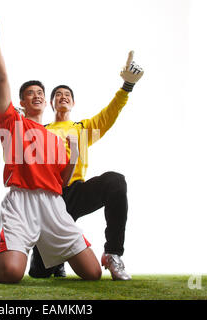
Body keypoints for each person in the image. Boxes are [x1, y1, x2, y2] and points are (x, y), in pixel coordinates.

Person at [0, 11, 101, 284]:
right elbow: (1, 78)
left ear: (45, 103)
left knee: (93, 274)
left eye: (40, 93)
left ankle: (48, 253)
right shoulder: (13, 121)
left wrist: (76, 153)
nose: (36, 95)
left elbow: (63, 180)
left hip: (53, 206)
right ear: (21, 102)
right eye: (30, 93)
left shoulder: (55, 139)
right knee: (11, 274)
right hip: (21, 203)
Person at [28, 52, 144, 280]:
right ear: (51, 103)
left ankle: (112, 254)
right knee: (39, 273)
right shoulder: (42, 131)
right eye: (58, 95)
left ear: (72, 102)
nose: (62, 97)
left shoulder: (82, 128)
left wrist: (127, 85)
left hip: (77, 192)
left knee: (115, 181)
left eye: (67, 95)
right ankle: (54, 260)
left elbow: (108, 115)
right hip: (50, 198)